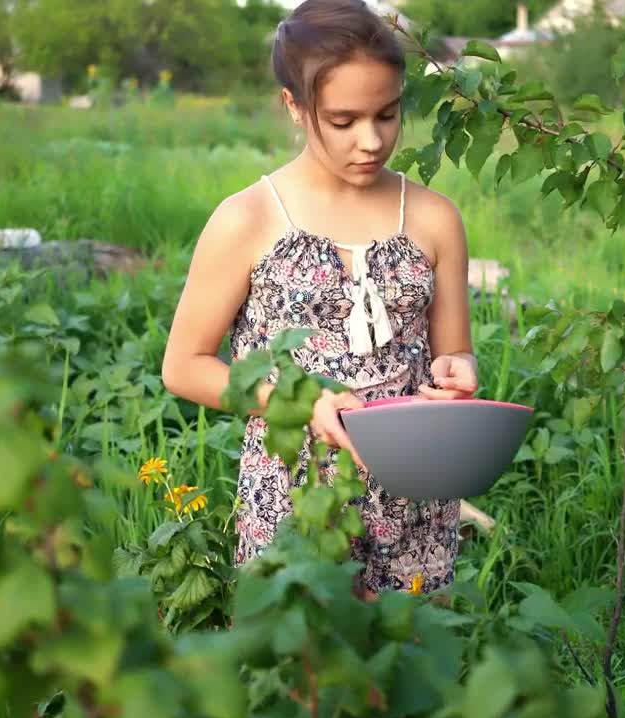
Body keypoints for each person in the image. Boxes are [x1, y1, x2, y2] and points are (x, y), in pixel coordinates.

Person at [161, 0, 479, 599]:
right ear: (295, 107)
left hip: (415, 498)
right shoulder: (248, 220)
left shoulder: (434, 218)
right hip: (293, 495)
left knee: (407, 671)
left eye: (387, 114)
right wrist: (296, 401)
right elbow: (185, 366)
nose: (371, 140)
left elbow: (454, 353)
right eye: (343, 120)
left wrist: (457, 373)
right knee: (301, 676)